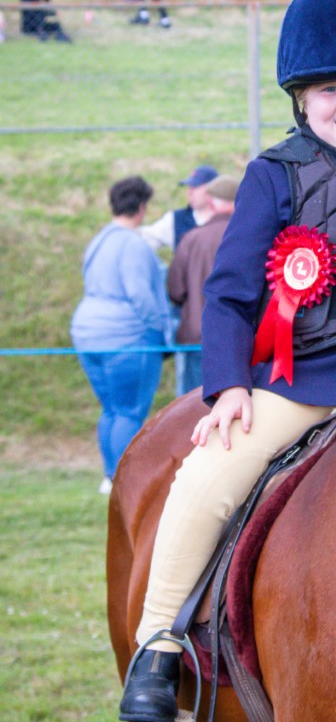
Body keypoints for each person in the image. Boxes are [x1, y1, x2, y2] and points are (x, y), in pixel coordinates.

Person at [118, 0, 336, 722]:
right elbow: (230, 293)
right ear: (301, 98)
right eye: (330, 89)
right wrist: (228, 387)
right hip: (299, 380)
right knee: (208, 476)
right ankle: (158, 643)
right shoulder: (274, 176)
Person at [71, 177, 170, 494]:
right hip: (125, 337)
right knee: (129, 410)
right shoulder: (133, 245)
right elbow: (140, 295)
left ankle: (109, 476)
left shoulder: (99, 240)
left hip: (86, 334)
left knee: (112, 409)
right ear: (141, 207)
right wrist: (159, 329)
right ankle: (123, 481)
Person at [141, 164, 219, 397]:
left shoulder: (228, 220)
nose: (190, 192)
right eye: (189, 187)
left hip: (219, 310)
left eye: (196, 187)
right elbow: (143, 241)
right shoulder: (176, 220)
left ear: (211, 190)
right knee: (187, 385)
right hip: (188, 314)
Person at [166, 175, 239, 396]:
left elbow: (175, 291)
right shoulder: (252, 236)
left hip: (199, 338)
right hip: (242, 339)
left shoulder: (191, 239)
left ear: (211, 203)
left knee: (195, 405)